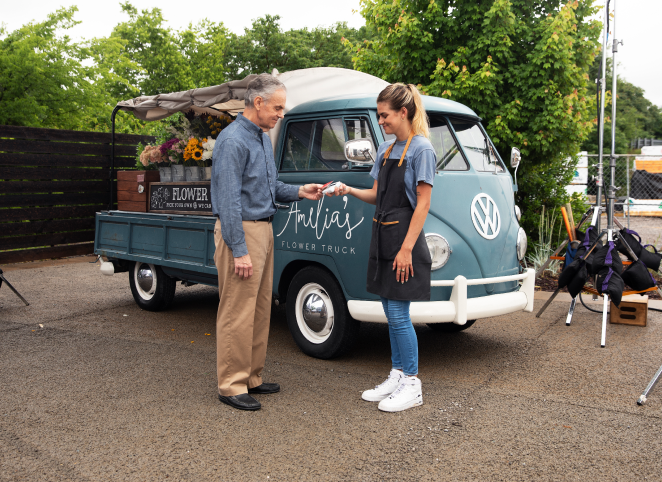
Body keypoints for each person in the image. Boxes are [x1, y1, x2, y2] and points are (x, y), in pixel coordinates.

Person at [211, 74, 323, 411]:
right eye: (277, 107)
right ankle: (231, 385)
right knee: (237, 312)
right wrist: (239, 249)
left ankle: (251, 378)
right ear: (257, 103)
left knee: (259, 310)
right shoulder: (233, 141)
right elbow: (229, 200)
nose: (281, 114)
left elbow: (269, 188)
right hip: (241, 232)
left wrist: (301, 191)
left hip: (264, 230)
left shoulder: (261, 138)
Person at [328, 83, 435, 412]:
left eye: (385, 115)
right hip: (383, 233)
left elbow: (423, 204)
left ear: (403, 112)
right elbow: (376, 195)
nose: (381, 121)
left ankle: (413, 383)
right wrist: (348, 189)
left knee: (400, 315)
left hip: (403, 238)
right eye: (379, 115)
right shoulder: (387, 149)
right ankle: (398, 373)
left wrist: (406, 249)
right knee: (391, 312)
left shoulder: (421, 150)